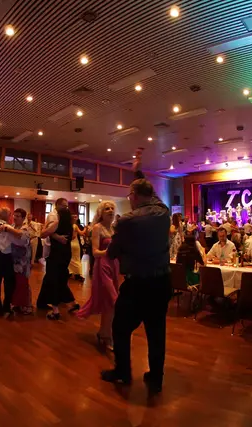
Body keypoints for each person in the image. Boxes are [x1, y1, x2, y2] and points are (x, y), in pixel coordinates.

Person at [101, 149, 172, 394]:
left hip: (137, 286)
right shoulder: (163, 211)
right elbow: (151, 194)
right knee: (156, 332)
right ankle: (156, 378)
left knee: (120, 328)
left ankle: (122, 372)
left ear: (133, 196)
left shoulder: (126, 221)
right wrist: (138, 171)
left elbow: (112, 253)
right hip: (161, 282)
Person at [77, 201, 120, 349]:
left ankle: (105, 333)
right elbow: (95, 252)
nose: (110, 210)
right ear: (101, 213)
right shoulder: (97, 228)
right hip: (103, 266)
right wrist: (109, 251)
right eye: (107, 208)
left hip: (114, 265)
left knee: (109, 302)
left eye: (112, 208)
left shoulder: (113, 229)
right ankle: (106, 335)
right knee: (113, 299)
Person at [36, 201, 80, 319]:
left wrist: (47, 228)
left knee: (54, 280)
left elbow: (42, 234)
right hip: (66, 254)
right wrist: (58, 236)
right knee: (60, 279)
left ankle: (55, 311)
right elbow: (73, 237)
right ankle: (72, 302)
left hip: (56, 254)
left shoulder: (56, 223)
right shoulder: (71, 226)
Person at [9, 208, 33, 315]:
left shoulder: (25, 228)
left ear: (23, 218)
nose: (15, 218)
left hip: (23, 262)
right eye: (14, 215)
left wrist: (7, 228)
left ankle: (26, 305)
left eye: (18, 216)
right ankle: (17, 303)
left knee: (23, 284)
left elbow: (21, 237)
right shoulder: (12, 226)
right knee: (15, 283)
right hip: (13, 260)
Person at [69, 214, 86, 281]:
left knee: (71, 259)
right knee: (77, 259)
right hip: (75, 244)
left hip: (69, 244)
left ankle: (70, 272)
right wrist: (85, 228)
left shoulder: (68, 225)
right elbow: (81, 233)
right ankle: (78, 274)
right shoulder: (75, 226)